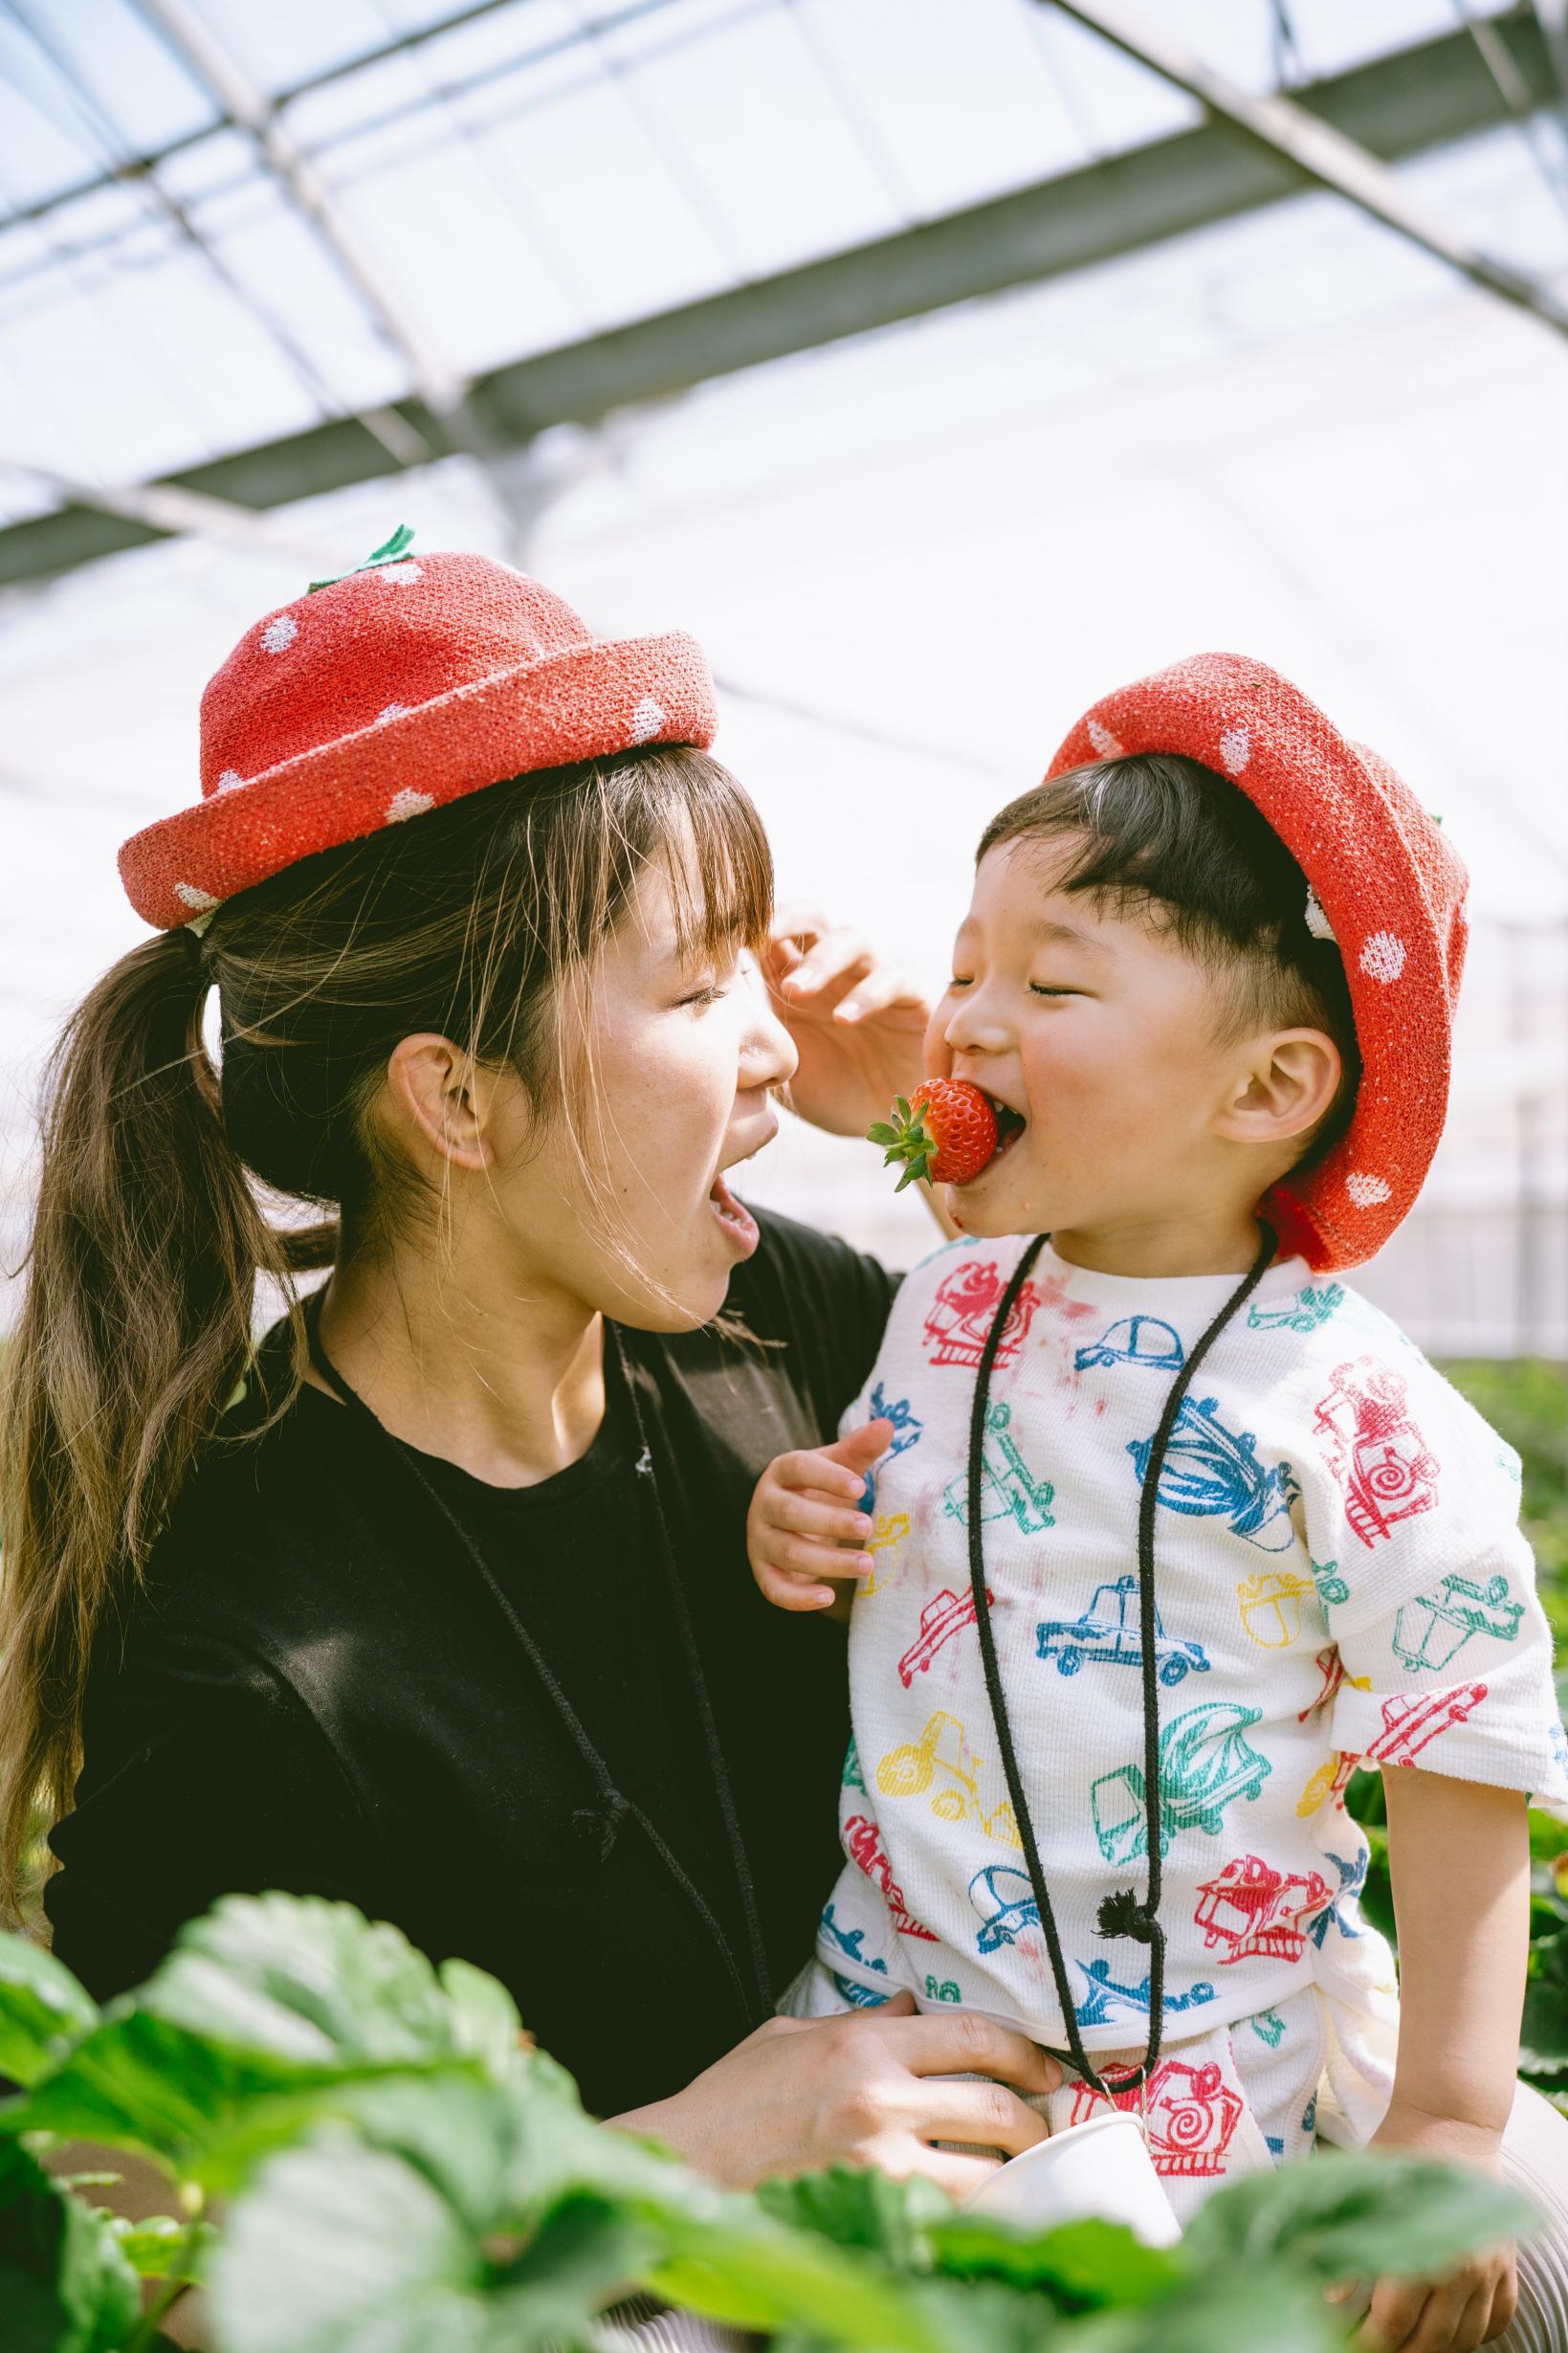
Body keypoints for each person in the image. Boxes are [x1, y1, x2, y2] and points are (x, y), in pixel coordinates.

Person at [0, 544, 1063, 2216]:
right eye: (700, 986)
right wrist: (687, 2153)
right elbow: (156, 2231)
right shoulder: (252, 1660)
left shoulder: (769, 1318)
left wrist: (955, 1134)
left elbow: (1161, 1457)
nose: (776, 1045)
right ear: (458, 1102)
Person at [748, 655, 1568, 2352]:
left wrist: (1449, 2122)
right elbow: (898, 1511)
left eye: (1050, 982)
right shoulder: (947, 1301)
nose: (968, 1017)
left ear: (1265, 1092)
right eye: (970, 961)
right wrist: (803, 1517)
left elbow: (1463, 1736)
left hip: (1216, 2088)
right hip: (905, 2046)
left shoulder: (1344, 1404)